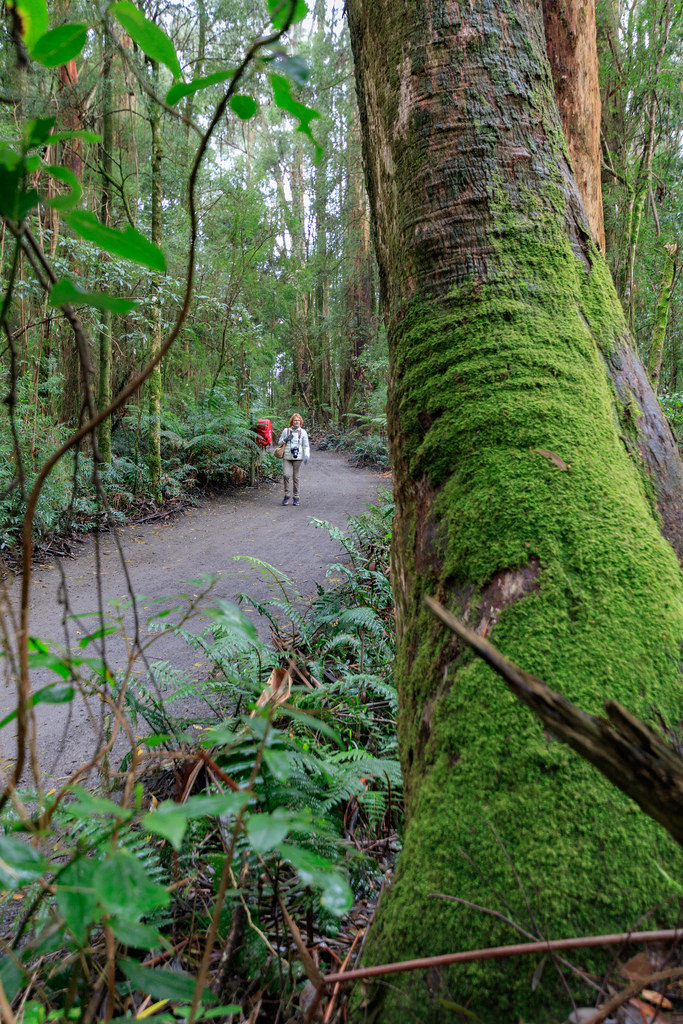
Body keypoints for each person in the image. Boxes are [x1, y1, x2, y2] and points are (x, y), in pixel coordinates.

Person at [277, 413, 310, 506]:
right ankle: (287, 496)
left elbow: (306, 446)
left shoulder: (303, 432)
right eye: (295, 420)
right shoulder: (286, 431)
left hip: (298, 457)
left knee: (296, 477)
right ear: (292, 421)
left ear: (301, 422)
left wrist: (307, 455)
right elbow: (279, 442)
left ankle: (296, 497)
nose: (297, 422)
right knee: (286, 475)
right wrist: (285, 439)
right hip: (287, 457)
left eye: (298, 420)